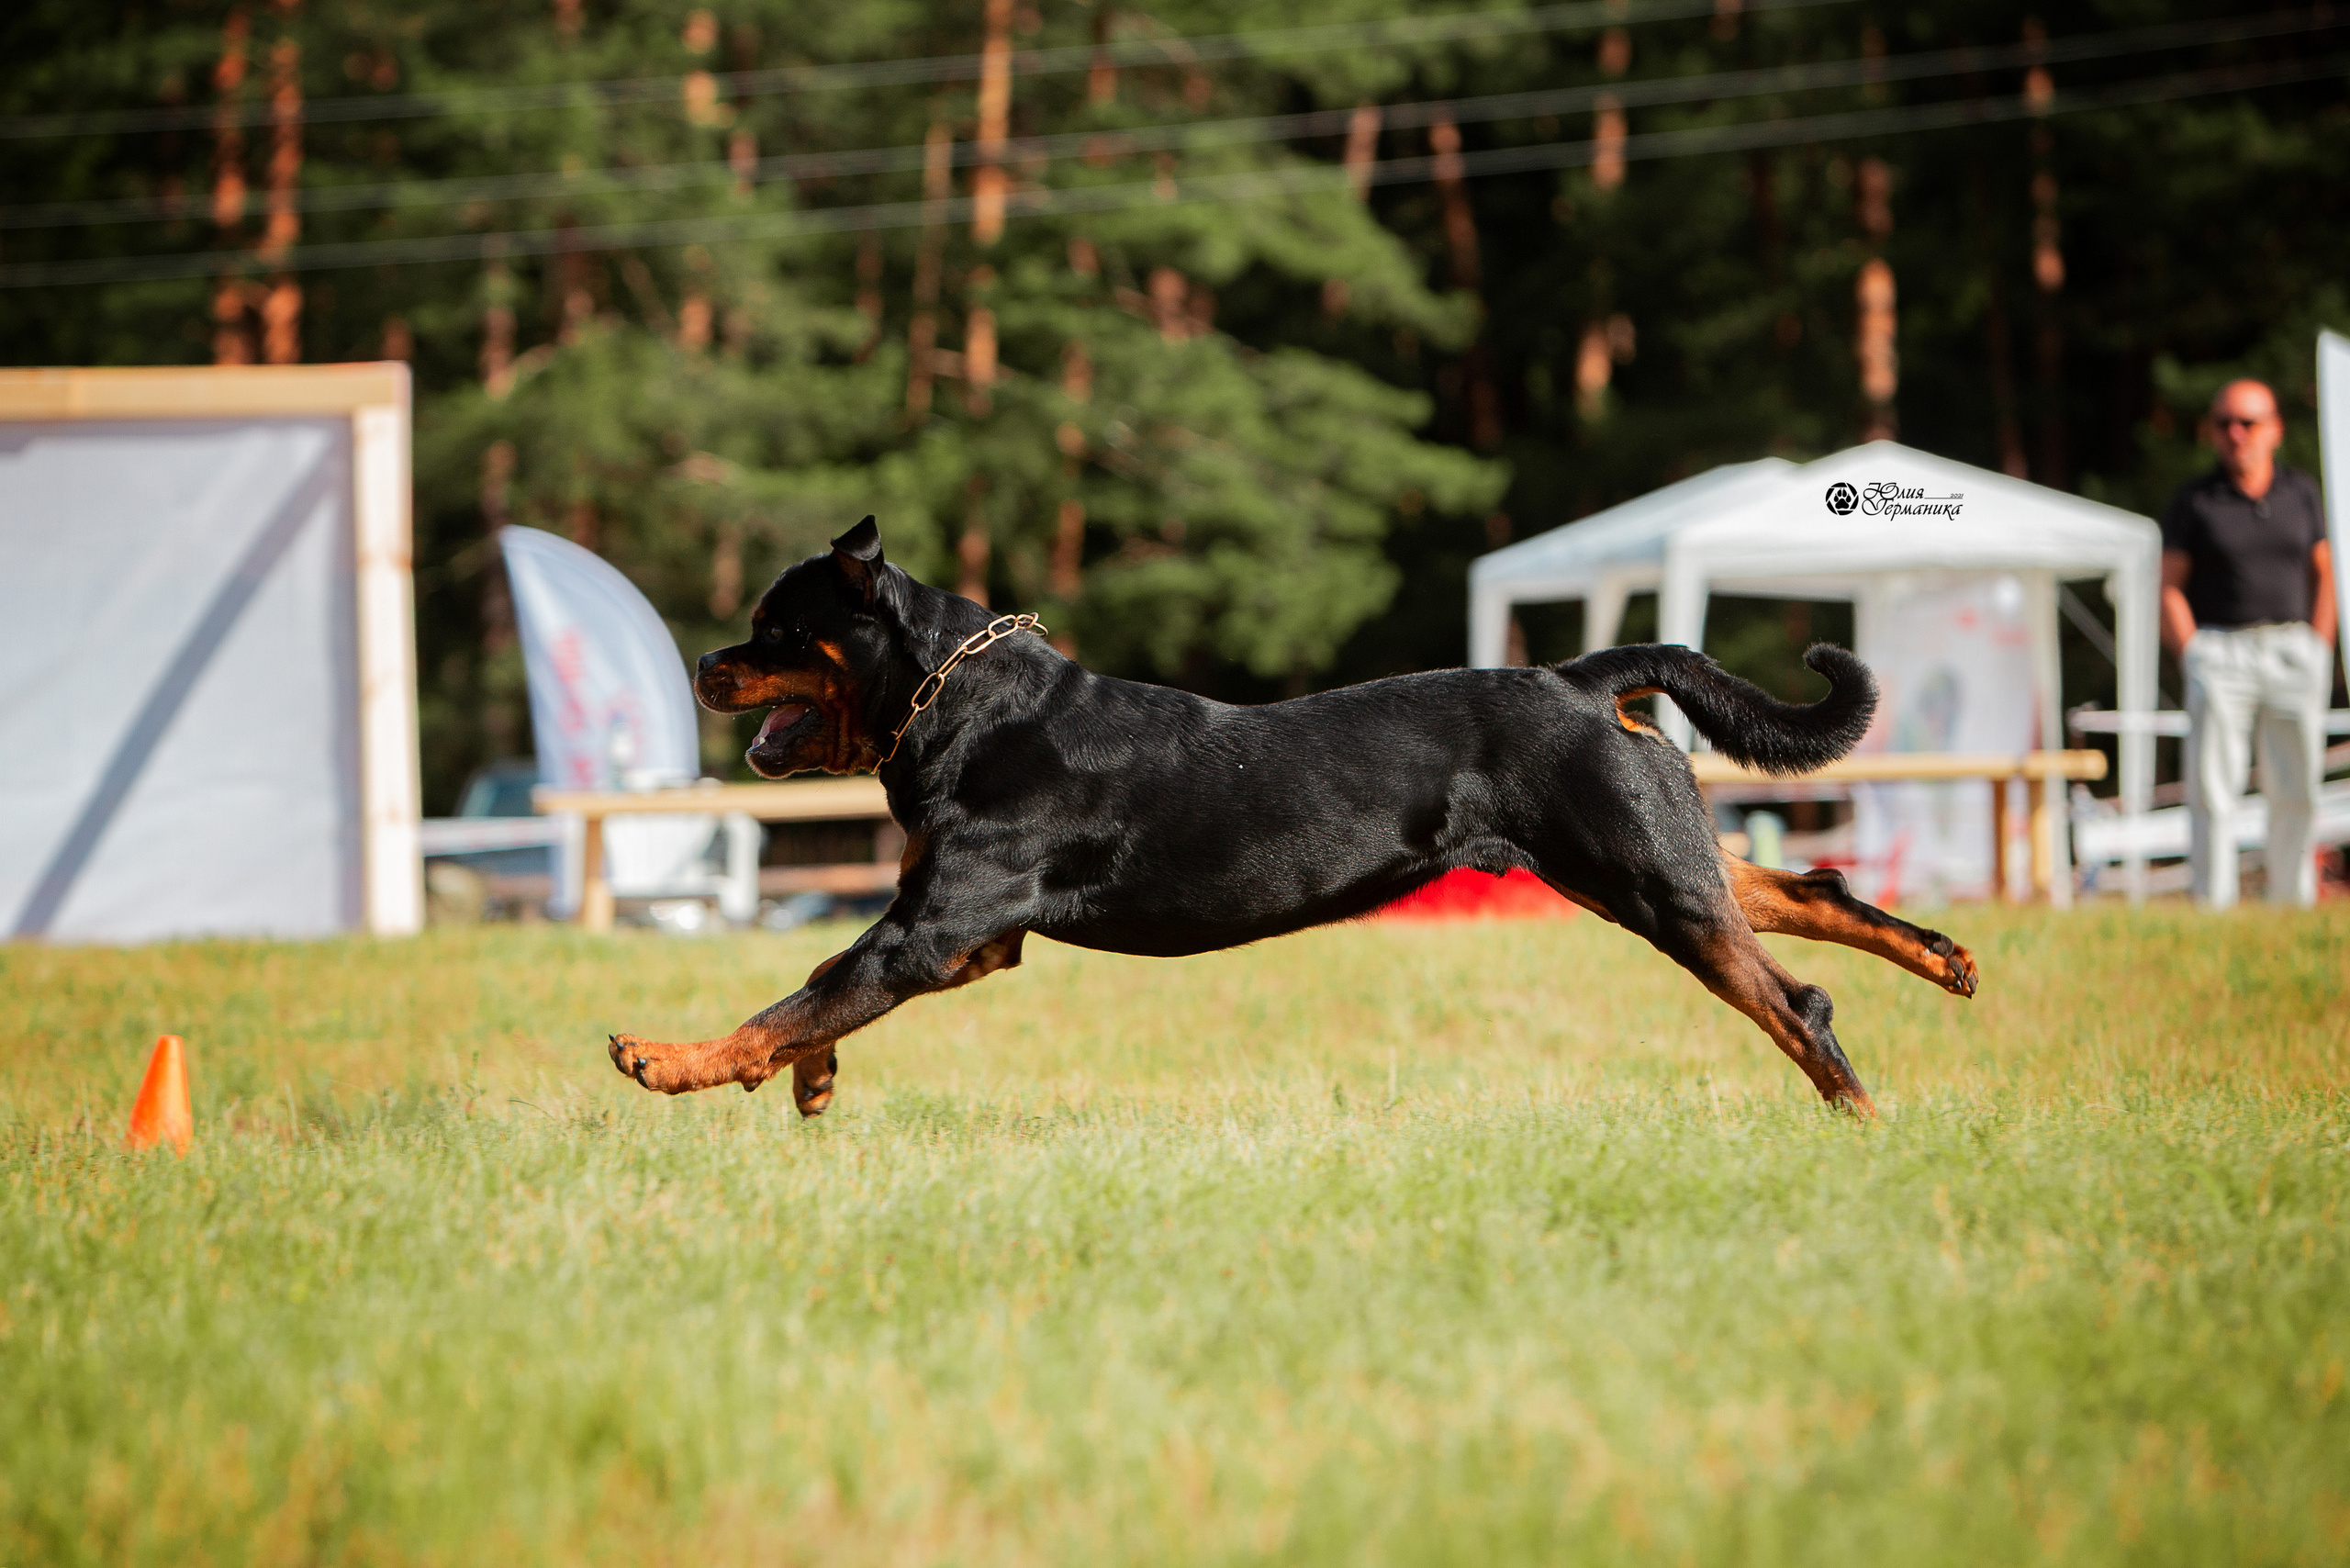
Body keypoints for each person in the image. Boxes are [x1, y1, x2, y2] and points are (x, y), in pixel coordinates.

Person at [2160, 379, 2336, 908]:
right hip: (2222, 652)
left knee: (2297, 786)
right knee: (2214, 788)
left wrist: (2320, 646)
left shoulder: (2300, 492)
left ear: (2275, 430)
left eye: (2247, 422)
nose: (2235, 433)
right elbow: (2168, 586)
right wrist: (2194, 654)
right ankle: (2213, 906)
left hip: (2293, 652)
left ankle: (2292, 903)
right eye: (2223, 423)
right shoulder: (2193, 501)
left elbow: (2326, 573)